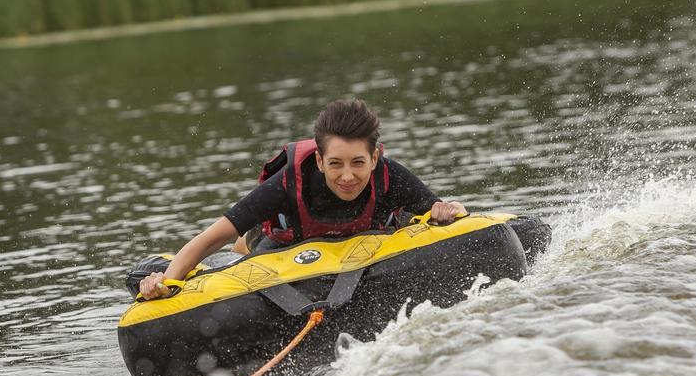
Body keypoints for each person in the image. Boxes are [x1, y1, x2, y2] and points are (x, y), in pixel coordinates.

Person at [138, 97, 468, 299]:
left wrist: (445, 211)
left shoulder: (390, 175)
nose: (348, 177)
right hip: (286, 246)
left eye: (358, 163)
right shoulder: (288, 184)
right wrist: (166, 283)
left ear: (376, 156)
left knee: (408, 218)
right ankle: (243, 246)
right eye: (335, 164)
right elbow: (210, 239)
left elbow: (453, 212)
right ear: (320, 160)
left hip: (364, 240)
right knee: (246, 242)